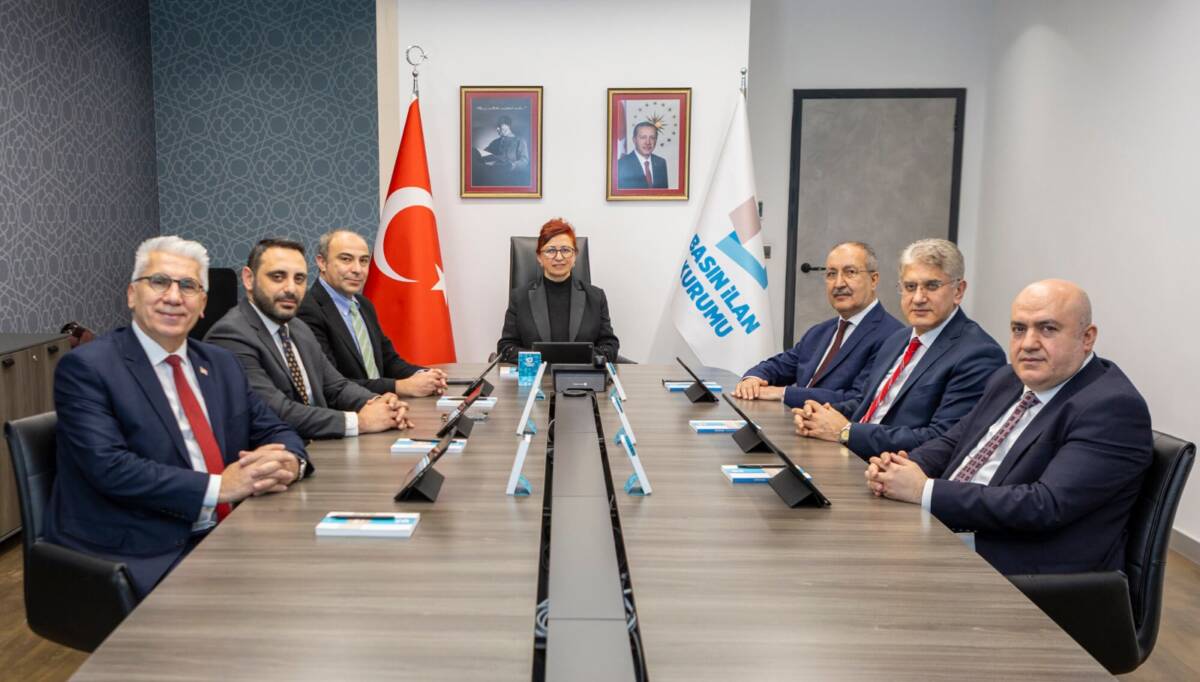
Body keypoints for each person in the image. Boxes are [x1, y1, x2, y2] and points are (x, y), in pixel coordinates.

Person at [44, 236, 311, 599]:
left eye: (188, 286)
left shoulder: (220, 364)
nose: (173, 297)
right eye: (158, 282)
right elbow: (109, 468)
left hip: (229, 531)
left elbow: (276, 428)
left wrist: (291, 462)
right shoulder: (87, 368)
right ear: (132, 295)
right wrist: (220, 487)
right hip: (140, 549)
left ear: (202, 304)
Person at [865, 280, 1152, 575]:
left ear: (1087, 338)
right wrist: (900, 467)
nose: (1028, 344)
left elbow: (1044, 505)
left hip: (1024, 571)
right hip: (957, 531)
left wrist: (924, 490)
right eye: (1019, 329)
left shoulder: (1112, 407)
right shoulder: (1008, 379)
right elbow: (954, 441)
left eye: (1047, 329)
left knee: (871, 567)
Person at [794, 238, 1005, 459]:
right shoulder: (897, 339)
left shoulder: (978, 354)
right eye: (910, 287)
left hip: (889, 467)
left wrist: (846, 432)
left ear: (958, 291)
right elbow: (866, 403)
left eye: (932, 286)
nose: (918, 298)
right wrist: (820, 414)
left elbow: (940, 440)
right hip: (848, 453)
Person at [206, 238, 411, 440]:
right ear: (249, 279)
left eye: (299, 279)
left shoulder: (297, 327)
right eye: (278, 277)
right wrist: (360, 421)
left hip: (322, 447)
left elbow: (336, 386)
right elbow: (276, 411)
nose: (291, 288)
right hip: (277, 453)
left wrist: (380, 403)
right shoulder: (231, 335)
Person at [733, 241, 903, 407]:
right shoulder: (819, 332)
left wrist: (781, 393)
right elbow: (780, 365)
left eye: (850, 272)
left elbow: (858, 399)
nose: (838, 283)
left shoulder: (893, 337)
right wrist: (752, 380)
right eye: (831, 274)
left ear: (874, 280)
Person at [296, 229, 448, 398]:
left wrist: (427, 375)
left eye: (363, 261)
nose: (357, 269)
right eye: (346, 259)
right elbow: (331, 383)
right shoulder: (307, 309)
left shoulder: (364, 305)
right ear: (322, 262)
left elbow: (389, 361)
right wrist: (400, 386)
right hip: (349, 409)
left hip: (384, 404)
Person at [496, 218, 620, 364]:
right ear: (539, 257)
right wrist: (541, 359)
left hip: (581, 375)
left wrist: (579, 358)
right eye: (551, 250)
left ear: (575, 256)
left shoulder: (596, 297)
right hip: (536, 374)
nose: (559, 257)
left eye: (566, 250)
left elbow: (610, 346)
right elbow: (506, 347)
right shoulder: (519, 298)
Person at [478, 115, 530, 186]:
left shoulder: (520, 141)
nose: (497, 129)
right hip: (495, 177)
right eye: (497, 127)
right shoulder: (495, 142)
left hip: (513, 178)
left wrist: (512, 165)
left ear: (507, 127)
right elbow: (484, 154)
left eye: (499, 126)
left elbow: (524, 161)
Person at [616, 121, 669, 189]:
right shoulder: (621, 165)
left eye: (652, 137)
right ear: (634, 140)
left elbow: (664, 193)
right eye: (643, 137)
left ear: (656, 140)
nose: (648, 142)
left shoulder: (661, 162)